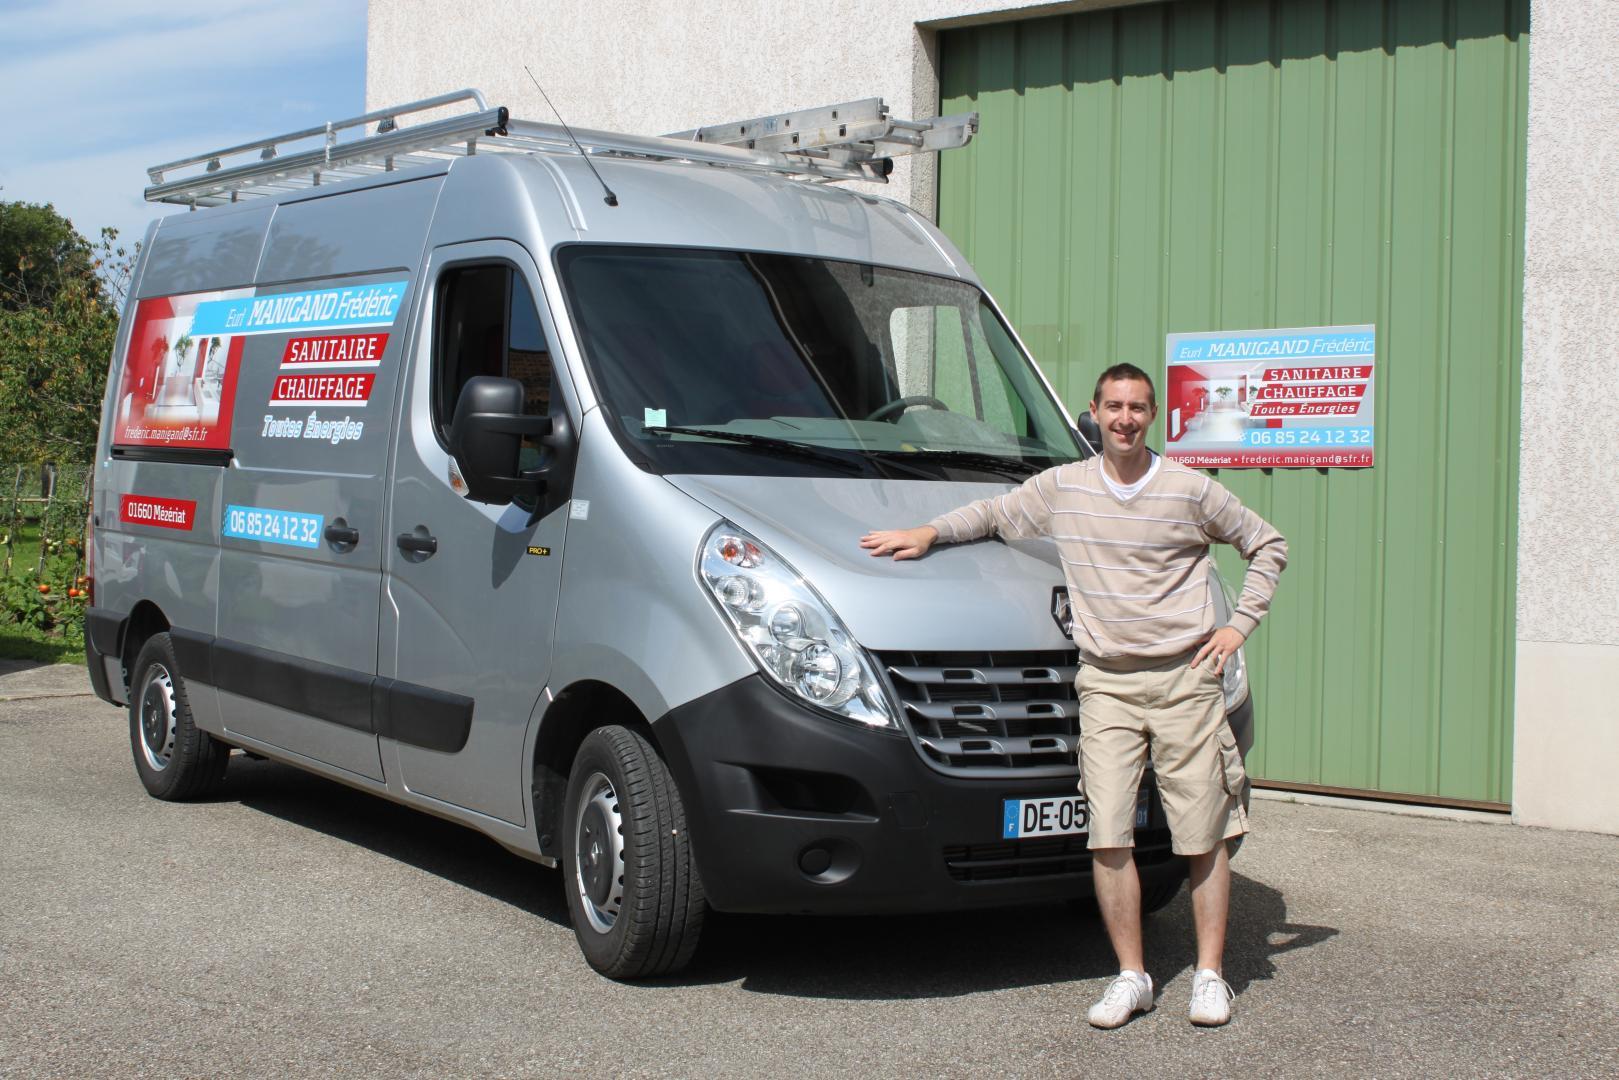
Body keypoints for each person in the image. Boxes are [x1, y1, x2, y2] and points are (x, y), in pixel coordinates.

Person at [860, 362, 1287, 1028]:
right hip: (1106, 684)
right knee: (1108, 834)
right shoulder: (1065, 487)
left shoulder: (1188, 489)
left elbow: (1267, 545)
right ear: (1094, 412)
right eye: (1114, 407)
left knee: (1203, 834)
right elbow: (994, 514)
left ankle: (1210, 977)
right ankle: (1131, 977)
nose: (1125, 420)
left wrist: (1239, 625)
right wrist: (927, 533)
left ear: (1152, 415)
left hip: (1183, 681)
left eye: (1137, 408)